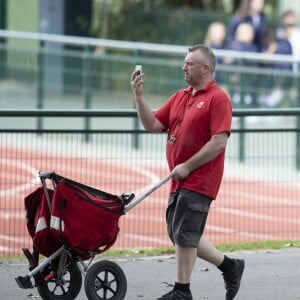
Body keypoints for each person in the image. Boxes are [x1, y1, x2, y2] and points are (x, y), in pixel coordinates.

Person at [130, 45, 245, 300]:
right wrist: (139, 97)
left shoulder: (218, 98)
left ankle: (182, 290)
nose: (183, 67)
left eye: (189, 63)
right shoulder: (180, 96)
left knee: (184, 233)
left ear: (205, 68)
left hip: (200, 179)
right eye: (184, 63)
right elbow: (151, 124)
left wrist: (187, 166)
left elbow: (219, 142)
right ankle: (230, 266)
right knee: (179, 232)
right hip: (179, 179)